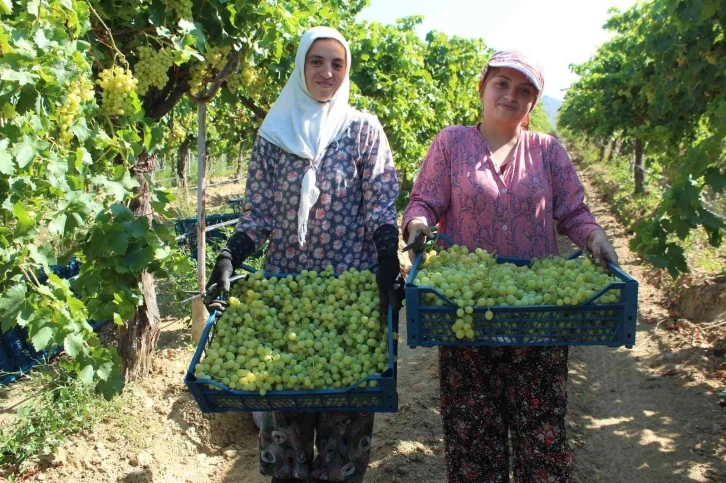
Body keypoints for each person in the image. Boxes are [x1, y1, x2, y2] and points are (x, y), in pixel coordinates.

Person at [401, 50, 619, 482]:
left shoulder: (548, 151)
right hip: (466, 313)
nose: (510, 95)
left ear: (532, 104)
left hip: (537, 314)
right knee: (472, 436)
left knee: (543, 436)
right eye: (501, 83)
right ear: (483, 89)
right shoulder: (451, 143)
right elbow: (424, 200)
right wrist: (418, 223)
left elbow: (574, 212)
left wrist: (594, 235)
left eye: (524, 90)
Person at [204, 26, 401, 483]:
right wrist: (230, 255)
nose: (327, 72)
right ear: (300, 66)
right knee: (286, 441)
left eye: (337, 63)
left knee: (344, 438)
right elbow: (257, 215)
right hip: (284, 301)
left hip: (349, 300)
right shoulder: (275, 134)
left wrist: (388, 256)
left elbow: (379, 206)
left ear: (346, 69)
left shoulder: (362, 129)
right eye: (316, 61)